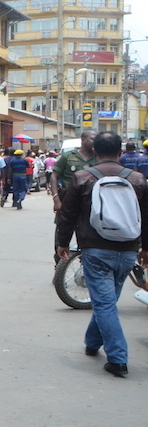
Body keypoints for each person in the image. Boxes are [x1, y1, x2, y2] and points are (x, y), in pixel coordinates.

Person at [56, 131, 148, 378]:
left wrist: (62, 243)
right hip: (128, 250)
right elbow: (147, 217)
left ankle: (118, 358)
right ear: (120, 152)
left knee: (105, 303)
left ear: (95, 151)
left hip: (95, 249)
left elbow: (67, 214)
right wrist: (145, 249)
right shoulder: (138, 179)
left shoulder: (82, 177)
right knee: (106, 301)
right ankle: (92, 342)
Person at [50, 129, 97, 212]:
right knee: (64, 220)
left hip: (91, 201)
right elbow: (54, 176)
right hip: (68, 200)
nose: (95, 142)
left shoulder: (98, 157)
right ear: (83, 139)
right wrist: (56, 199)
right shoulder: (67, 156)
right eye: (92, 139)